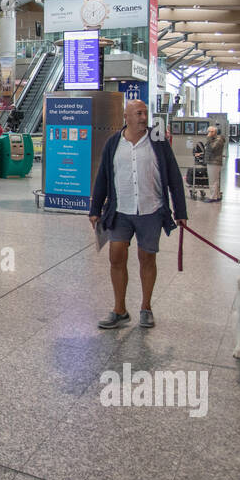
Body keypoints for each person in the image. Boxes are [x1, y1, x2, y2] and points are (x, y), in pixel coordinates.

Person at [89, 99, 188, 330]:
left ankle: (146, 307)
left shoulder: (158, 141)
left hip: (150, 210)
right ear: (127, 116)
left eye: (145, 113)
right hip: (120, 210)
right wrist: (95, 210)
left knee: (147, 258)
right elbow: (103, 176)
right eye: (139, 113)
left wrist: (180, 211)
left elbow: (173, 176)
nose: (144, 118)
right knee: (116, 256)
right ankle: (119, 310)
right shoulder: (114, 143)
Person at [203, 125, 227, 202]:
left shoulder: (218, 139)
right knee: (215, 180)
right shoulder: (214, 139)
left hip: (214, 162)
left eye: (211, 131)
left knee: (213, 180)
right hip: (212, 161)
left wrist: (208, 138)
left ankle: (212, 197)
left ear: (215, 132)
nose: (209, 133)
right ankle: (217, 195)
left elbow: (212, 148)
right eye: (208, 131)